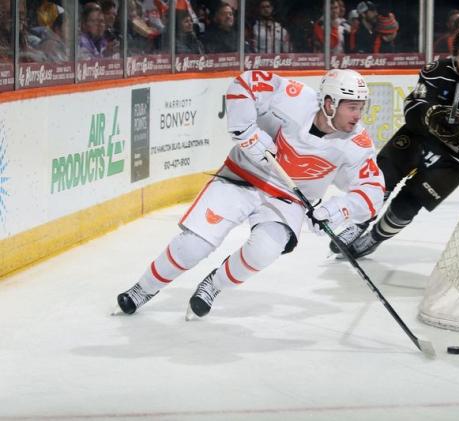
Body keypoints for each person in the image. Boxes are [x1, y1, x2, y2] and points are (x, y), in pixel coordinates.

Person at [115, 69, 385, 318]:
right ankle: (143, 288)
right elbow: (245, 83)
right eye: (352, 107)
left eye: (361, 107)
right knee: (195, 244)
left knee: (264, 251)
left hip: (288, 198)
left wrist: (336, 210)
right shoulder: (295, 98)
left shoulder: (357, 144)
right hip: (243, 175)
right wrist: (247, 133)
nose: (358, 115)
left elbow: (373, 191)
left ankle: (214, 284)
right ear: (329, 103)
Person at [335, 28, 459, 259]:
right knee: (380, 180)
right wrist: (431, 114)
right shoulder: (436, 71)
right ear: (454, 55)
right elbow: (411, 110)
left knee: (408, 204)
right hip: (418, 139)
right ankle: (359, 223)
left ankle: (374, 238)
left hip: (453, 162)